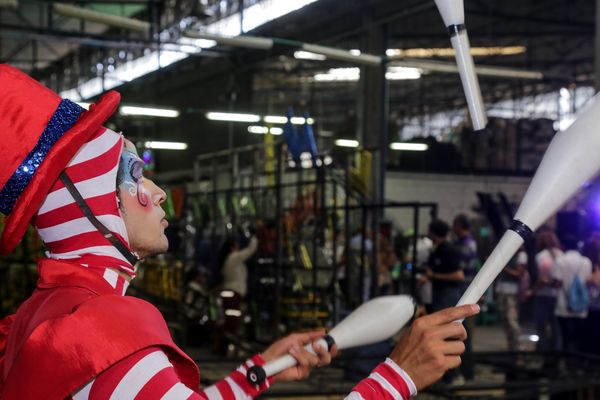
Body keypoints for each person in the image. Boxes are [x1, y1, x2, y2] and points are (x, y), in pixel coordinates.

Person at [0, 64, 479, 399]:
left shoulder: (48, 312)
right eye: (134, 173)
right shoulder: (95, 332)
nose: (159, 191)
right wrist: (398, 377)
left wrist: (259, 370)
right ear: (90, 206)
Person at [217, 235, 258, 354]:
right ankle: (226, 349)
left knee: (230, 321)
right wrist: (254, 238)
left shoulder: (229, 259)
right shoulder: (233, 257)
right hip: (232, 294)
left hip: (231, 293)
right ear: (231, 248)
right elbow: (249, 251)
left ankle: (224, 348)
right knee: (231, 322)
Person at [552, 235, 592, 353]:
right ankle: (577, 363)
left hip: (563, 303)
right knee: (579, 336)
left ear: (564, 246)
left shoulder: (560, 261)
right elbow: (587, 281)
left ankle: (566, 361)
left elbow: (557, 282)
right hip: (581, 304)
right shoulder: (586, 261)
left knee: (565, 336)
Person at [533, 228, 563, 352]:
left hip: (543, 294)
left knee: (541, 325)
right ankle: (557, 351)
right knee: (556, 326)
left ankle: (544, 351)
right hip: (558, 295)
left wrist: (533, 290)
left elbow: (541, 279)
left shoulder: (540, 256)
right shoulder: (561, 254)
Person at [496, 249, 528, 351]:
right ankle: (511, 348)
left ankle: (519, 348)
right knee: (505, 320)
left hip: (512, 291)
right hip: (502, 290)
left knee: (512, 321)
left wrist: (503, 267)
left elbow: (518, 273)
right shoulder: (508, 251)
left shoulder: (521, 254)